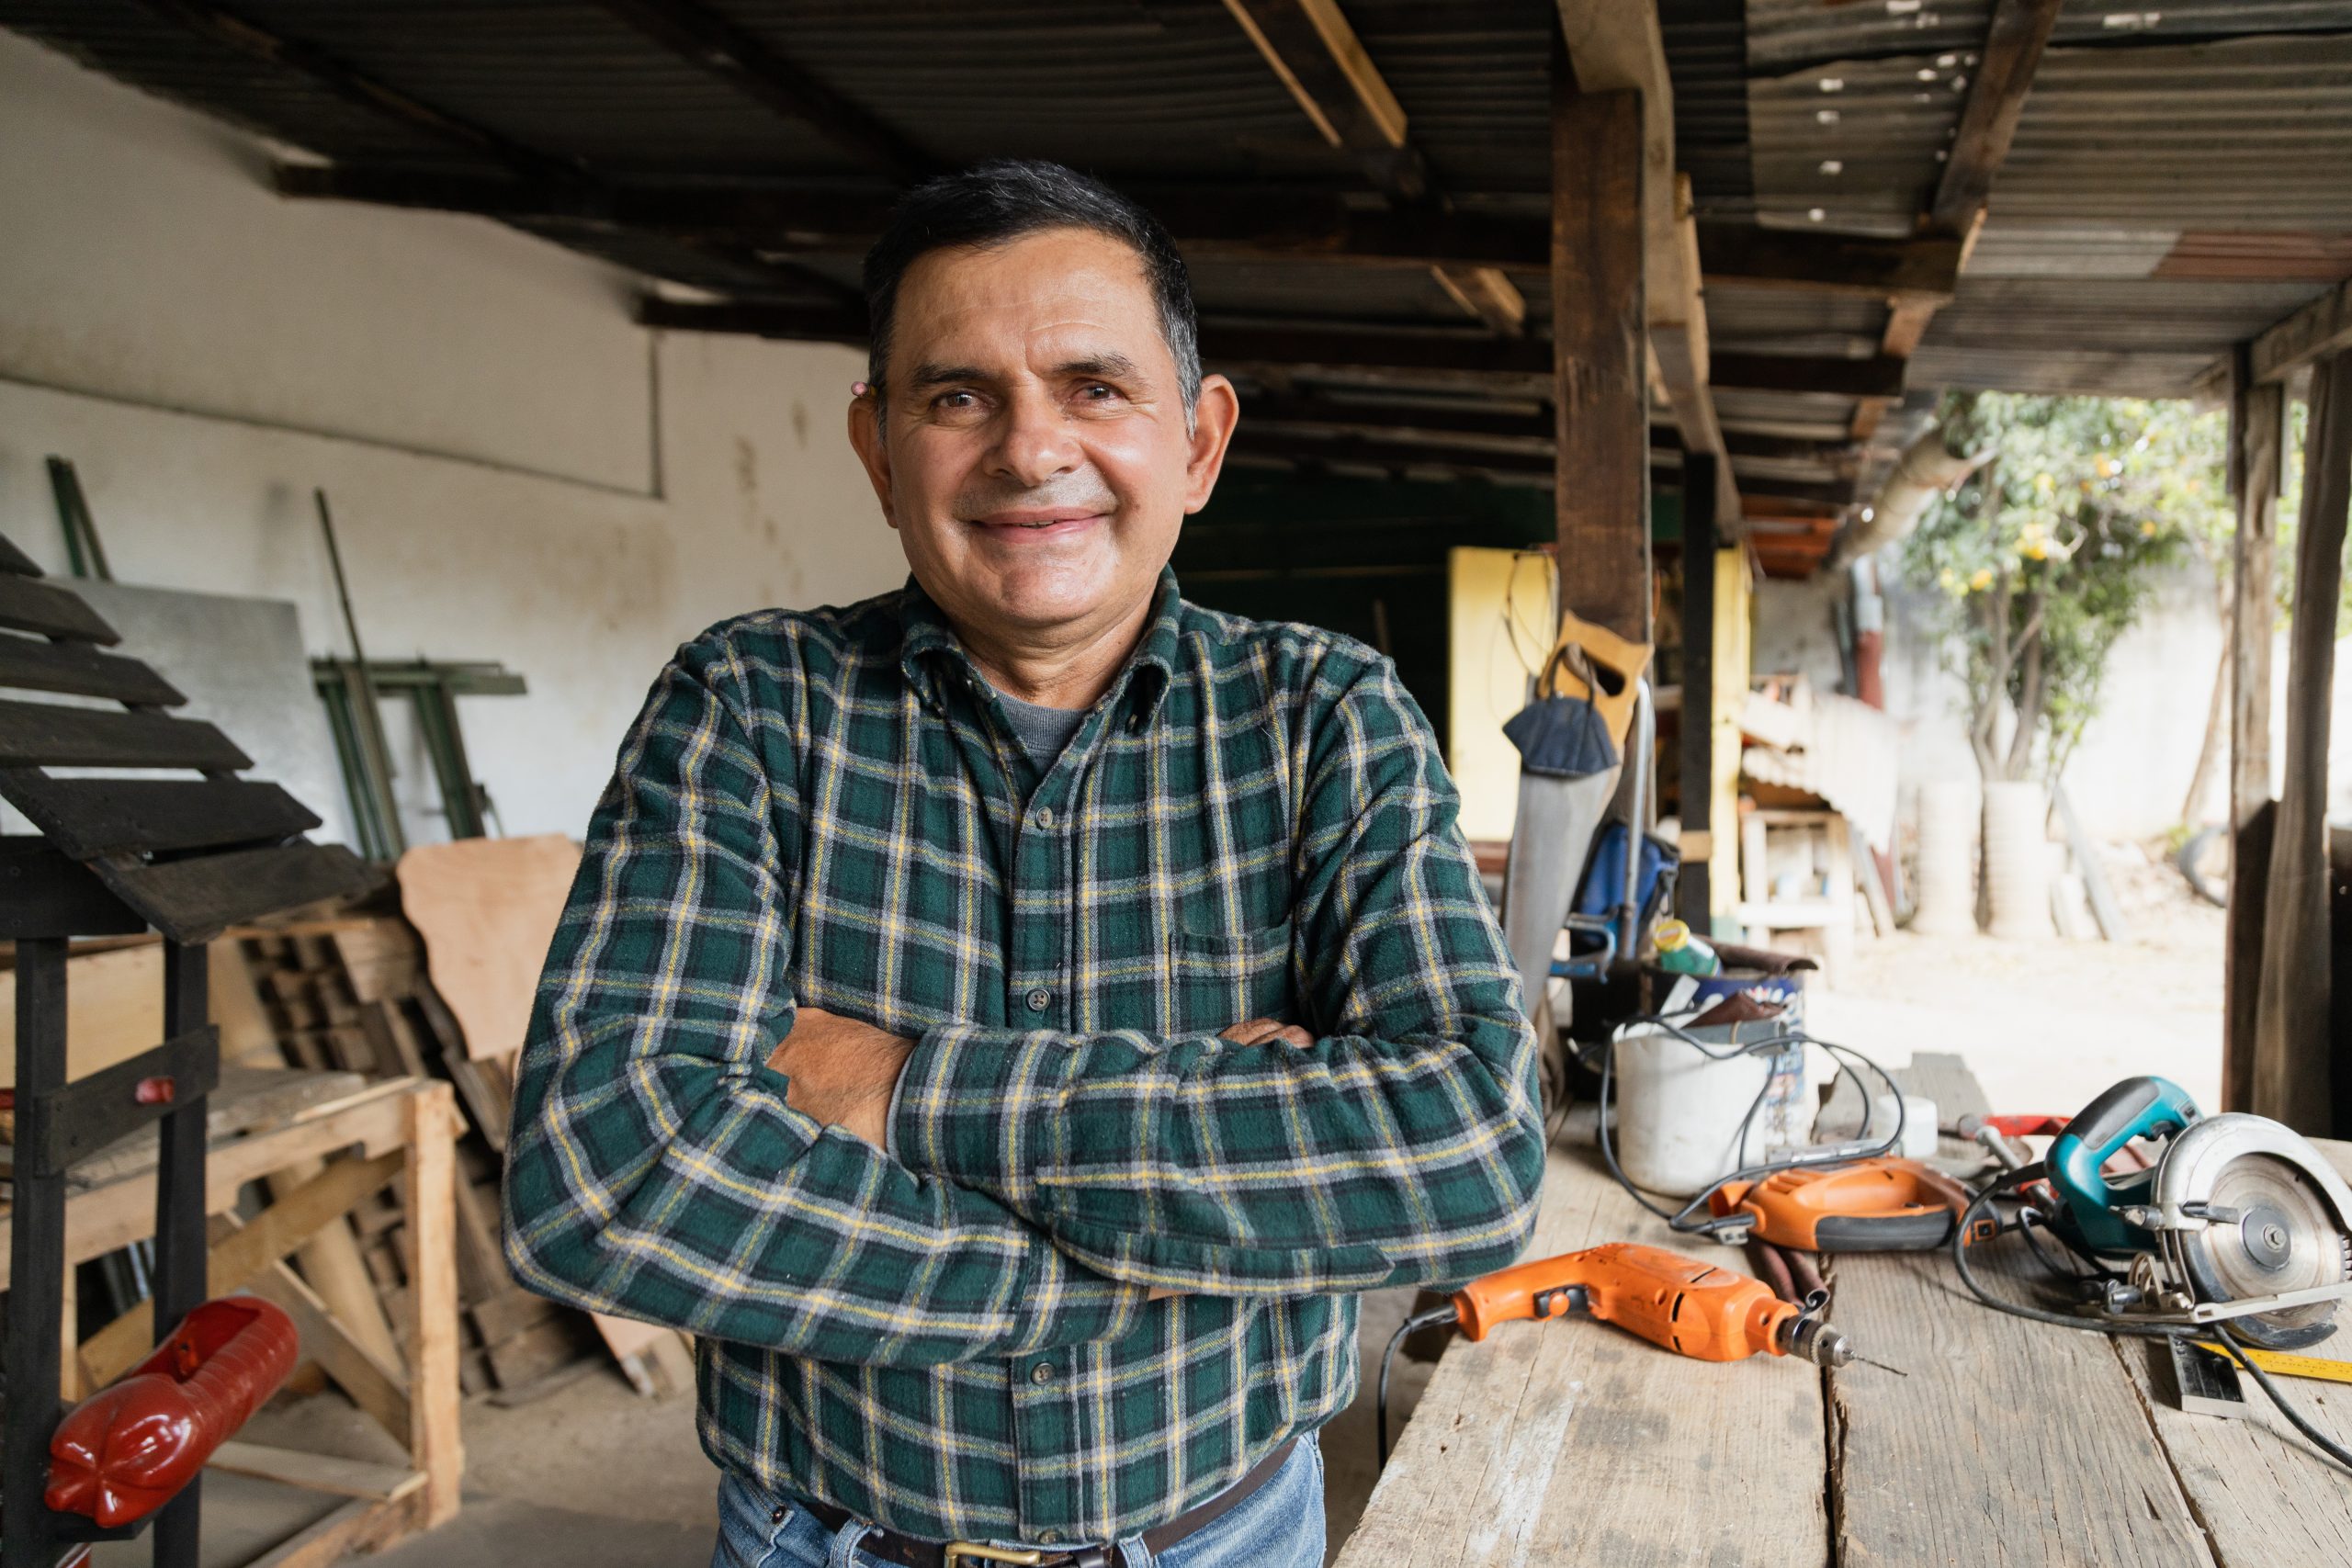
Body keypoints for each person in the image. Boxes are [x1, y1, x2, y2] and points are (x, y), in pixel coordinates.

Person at [504, 158, 1544, 1568]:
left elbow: (1468, 1149)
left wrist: (899, 1086)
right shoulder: (752, 706)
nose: (1027, 449)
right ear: (880, 450)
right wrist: (1149, 1230)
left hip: (1224, 1537)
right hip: (826, 1539)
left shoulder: (1327, 717)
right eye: (958, 396)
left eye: (1093, 387)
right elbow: (601, 1174)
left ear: (1198, 440)